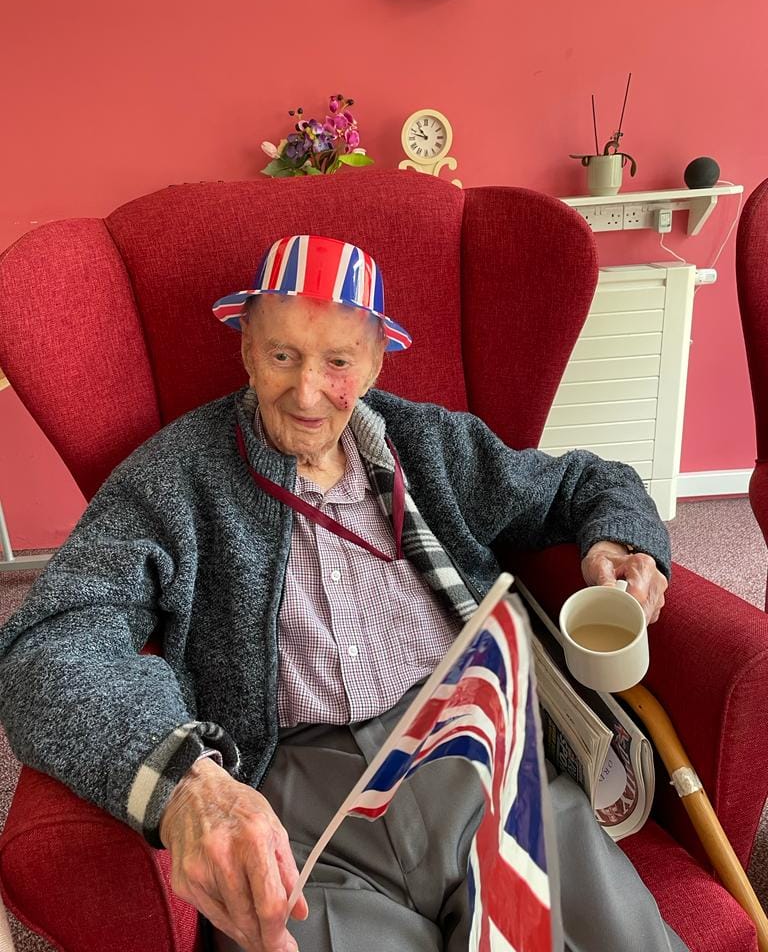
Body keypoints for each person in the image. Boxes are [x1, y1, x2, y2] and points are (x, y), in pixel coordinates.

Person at [0, 235, 684, 952]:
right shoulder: (174, 478)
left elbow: (584, 483)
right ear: (245, 349)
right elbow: (48, 642)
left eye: (337, 362)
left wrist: (620, 542)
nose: (305, 392)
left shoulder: (431, 444)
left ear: (377, 360)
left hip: (473, 752)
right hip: (297, 804)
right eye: (282, 355)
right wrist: (191, 785)